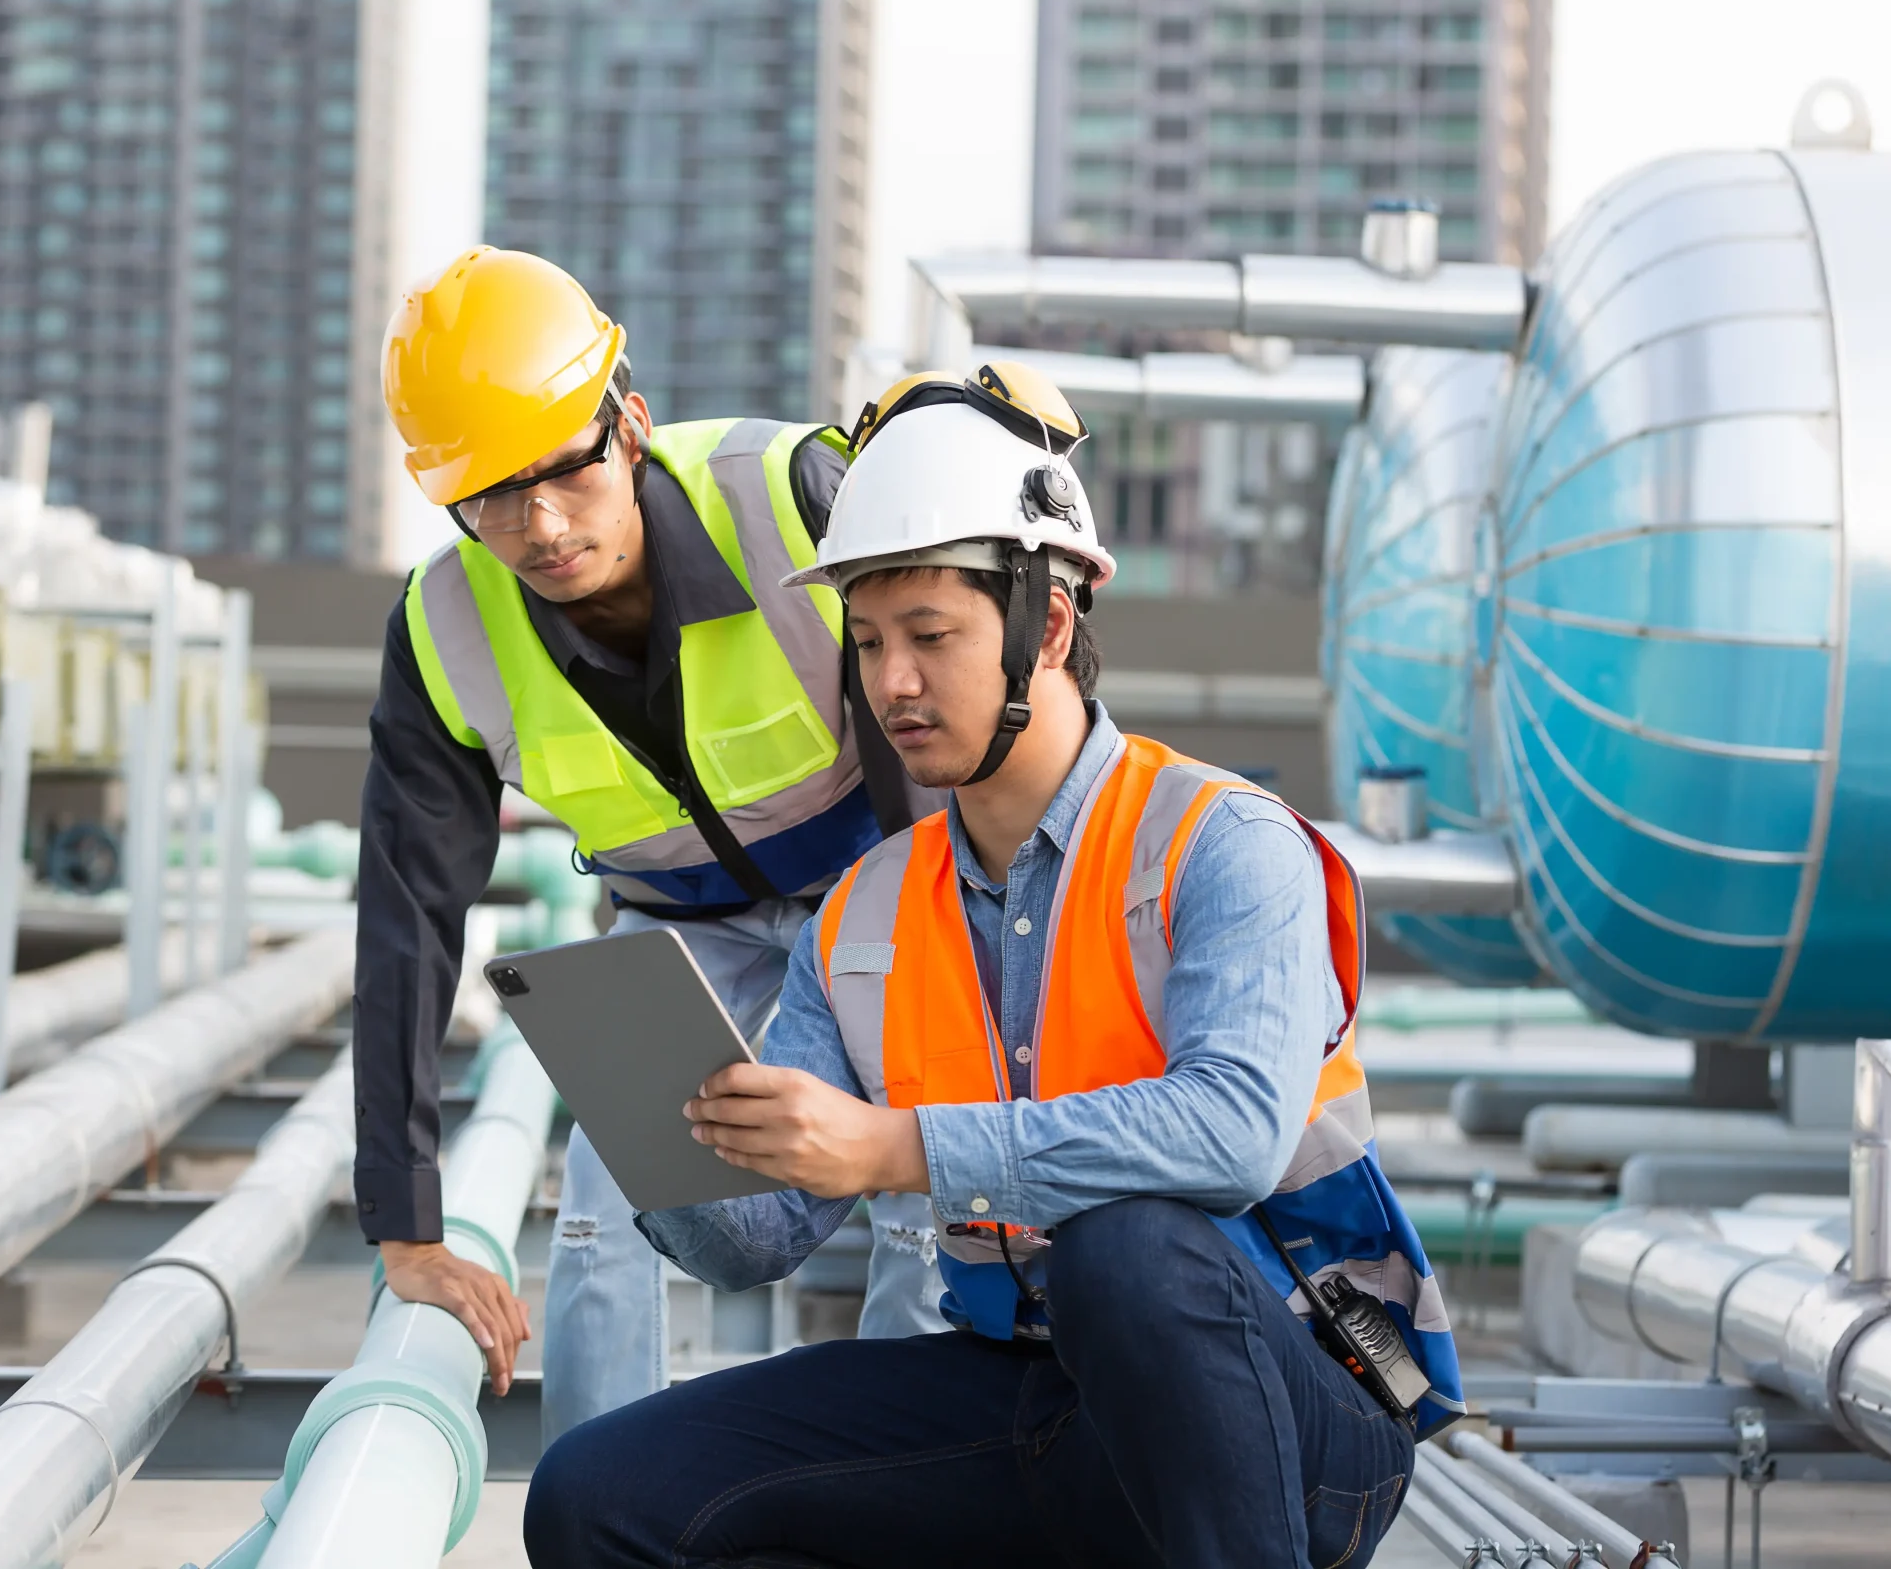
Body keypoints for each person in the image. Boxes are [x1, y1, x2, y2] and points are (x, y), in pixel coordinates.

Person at [522, 373, 1464, 1569]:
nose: (893, 682)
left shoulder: (1223, 844)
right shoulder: (865, 908)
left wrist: (902, 1150)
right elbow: (757, 1242)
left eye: (932, 637)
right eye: (866, 642)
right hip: (1023, 1395)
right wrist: (669, 1134)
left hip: (1294, 1417)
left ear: (1049, 627)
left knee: (1125, 1253)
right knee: (598, 1491)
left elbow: (1231, 1135)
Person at [354, 246, 946, 1445]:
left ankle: (913, 1498)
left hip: (887, 887)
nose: (536, 525)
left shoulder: (794, 495)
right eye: (487, 496)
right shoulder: (443, 627)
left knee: (927, 1195)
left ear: (627, 424)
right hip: (681, 929)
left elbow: (956, 720)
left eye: (562, 473)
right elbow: (407, 917)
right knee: (599, 1202)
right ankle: (600, 1512)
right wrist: (407, 1224)